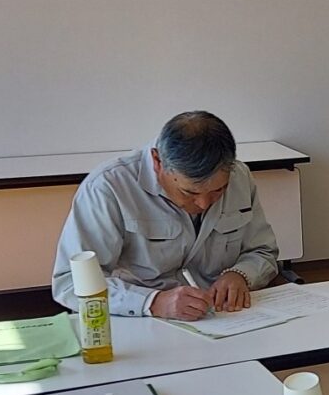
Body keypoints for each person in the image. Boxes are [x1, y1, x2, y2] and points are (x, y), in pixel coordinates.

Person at [52, 111, 279, 320]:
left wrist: (240, 274)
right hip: (137, 318)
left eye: (219, 190)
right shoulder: (108, 188)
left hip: (222, 317)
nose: (203, 204)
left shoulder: (240, 176)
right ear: (157, 162)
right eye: (189, 192)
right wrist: (152, 302)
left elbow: (263, 251)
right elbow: (70, 282)